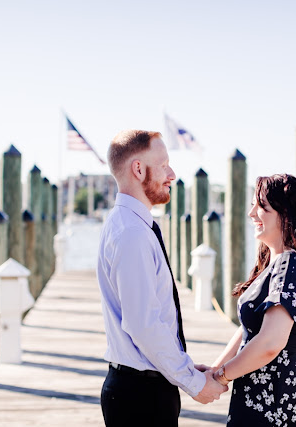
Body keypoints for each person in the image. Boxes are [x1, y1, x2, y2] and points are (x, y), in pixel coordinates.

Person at [97, 129, 227, 427]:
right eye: (164, 164)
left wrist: (184, 369)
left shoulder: (131, 225)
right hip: (140, 396)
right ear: (138, 169)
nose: (172, 173)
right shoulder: (132, 233)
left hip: (145, 385)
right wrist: (194, 383)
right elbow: (143, 324)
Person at [210, 174, 296, 427]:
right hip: (262, 397)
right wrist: (214, 370)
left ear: (287, 214)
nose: (251, 213)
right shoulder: (277, 264)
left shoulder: (290, 264)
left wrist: (221, 378)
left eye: (262, 206)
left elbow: (270, 342)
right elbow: (250, 331)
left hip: (272, 404)